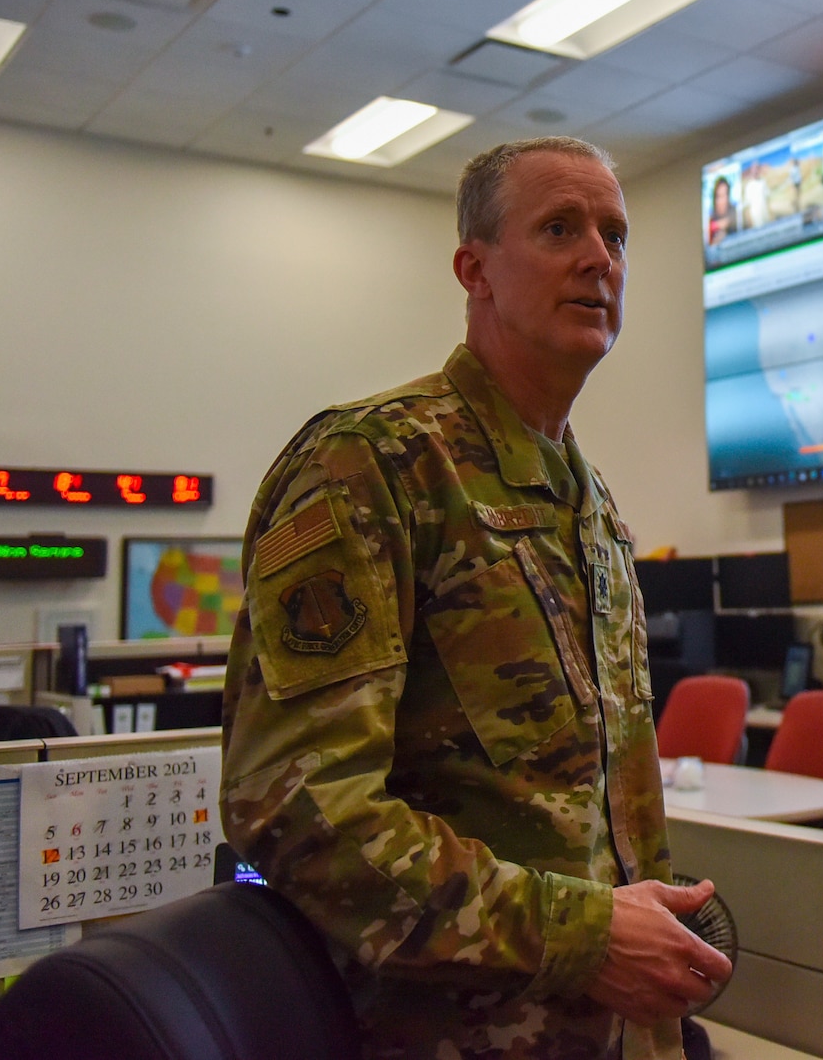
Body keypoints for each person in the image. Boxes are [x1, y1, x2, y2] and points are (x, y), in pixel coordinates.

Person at [221, 136, 732, 1060]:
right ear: (476, 269)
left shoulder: (592, 503)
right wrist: (580, 935)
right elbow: (296, 805)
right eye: (558, 227)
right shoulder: (371, 466)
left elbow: (606, 808)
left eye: (615, 235)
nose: (598, 257)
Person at [706, 174, 737, 246]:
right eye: (718, 196)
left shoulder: (735, 213)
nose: (721, 201)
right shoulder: (710, 218)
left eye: (723, 196)